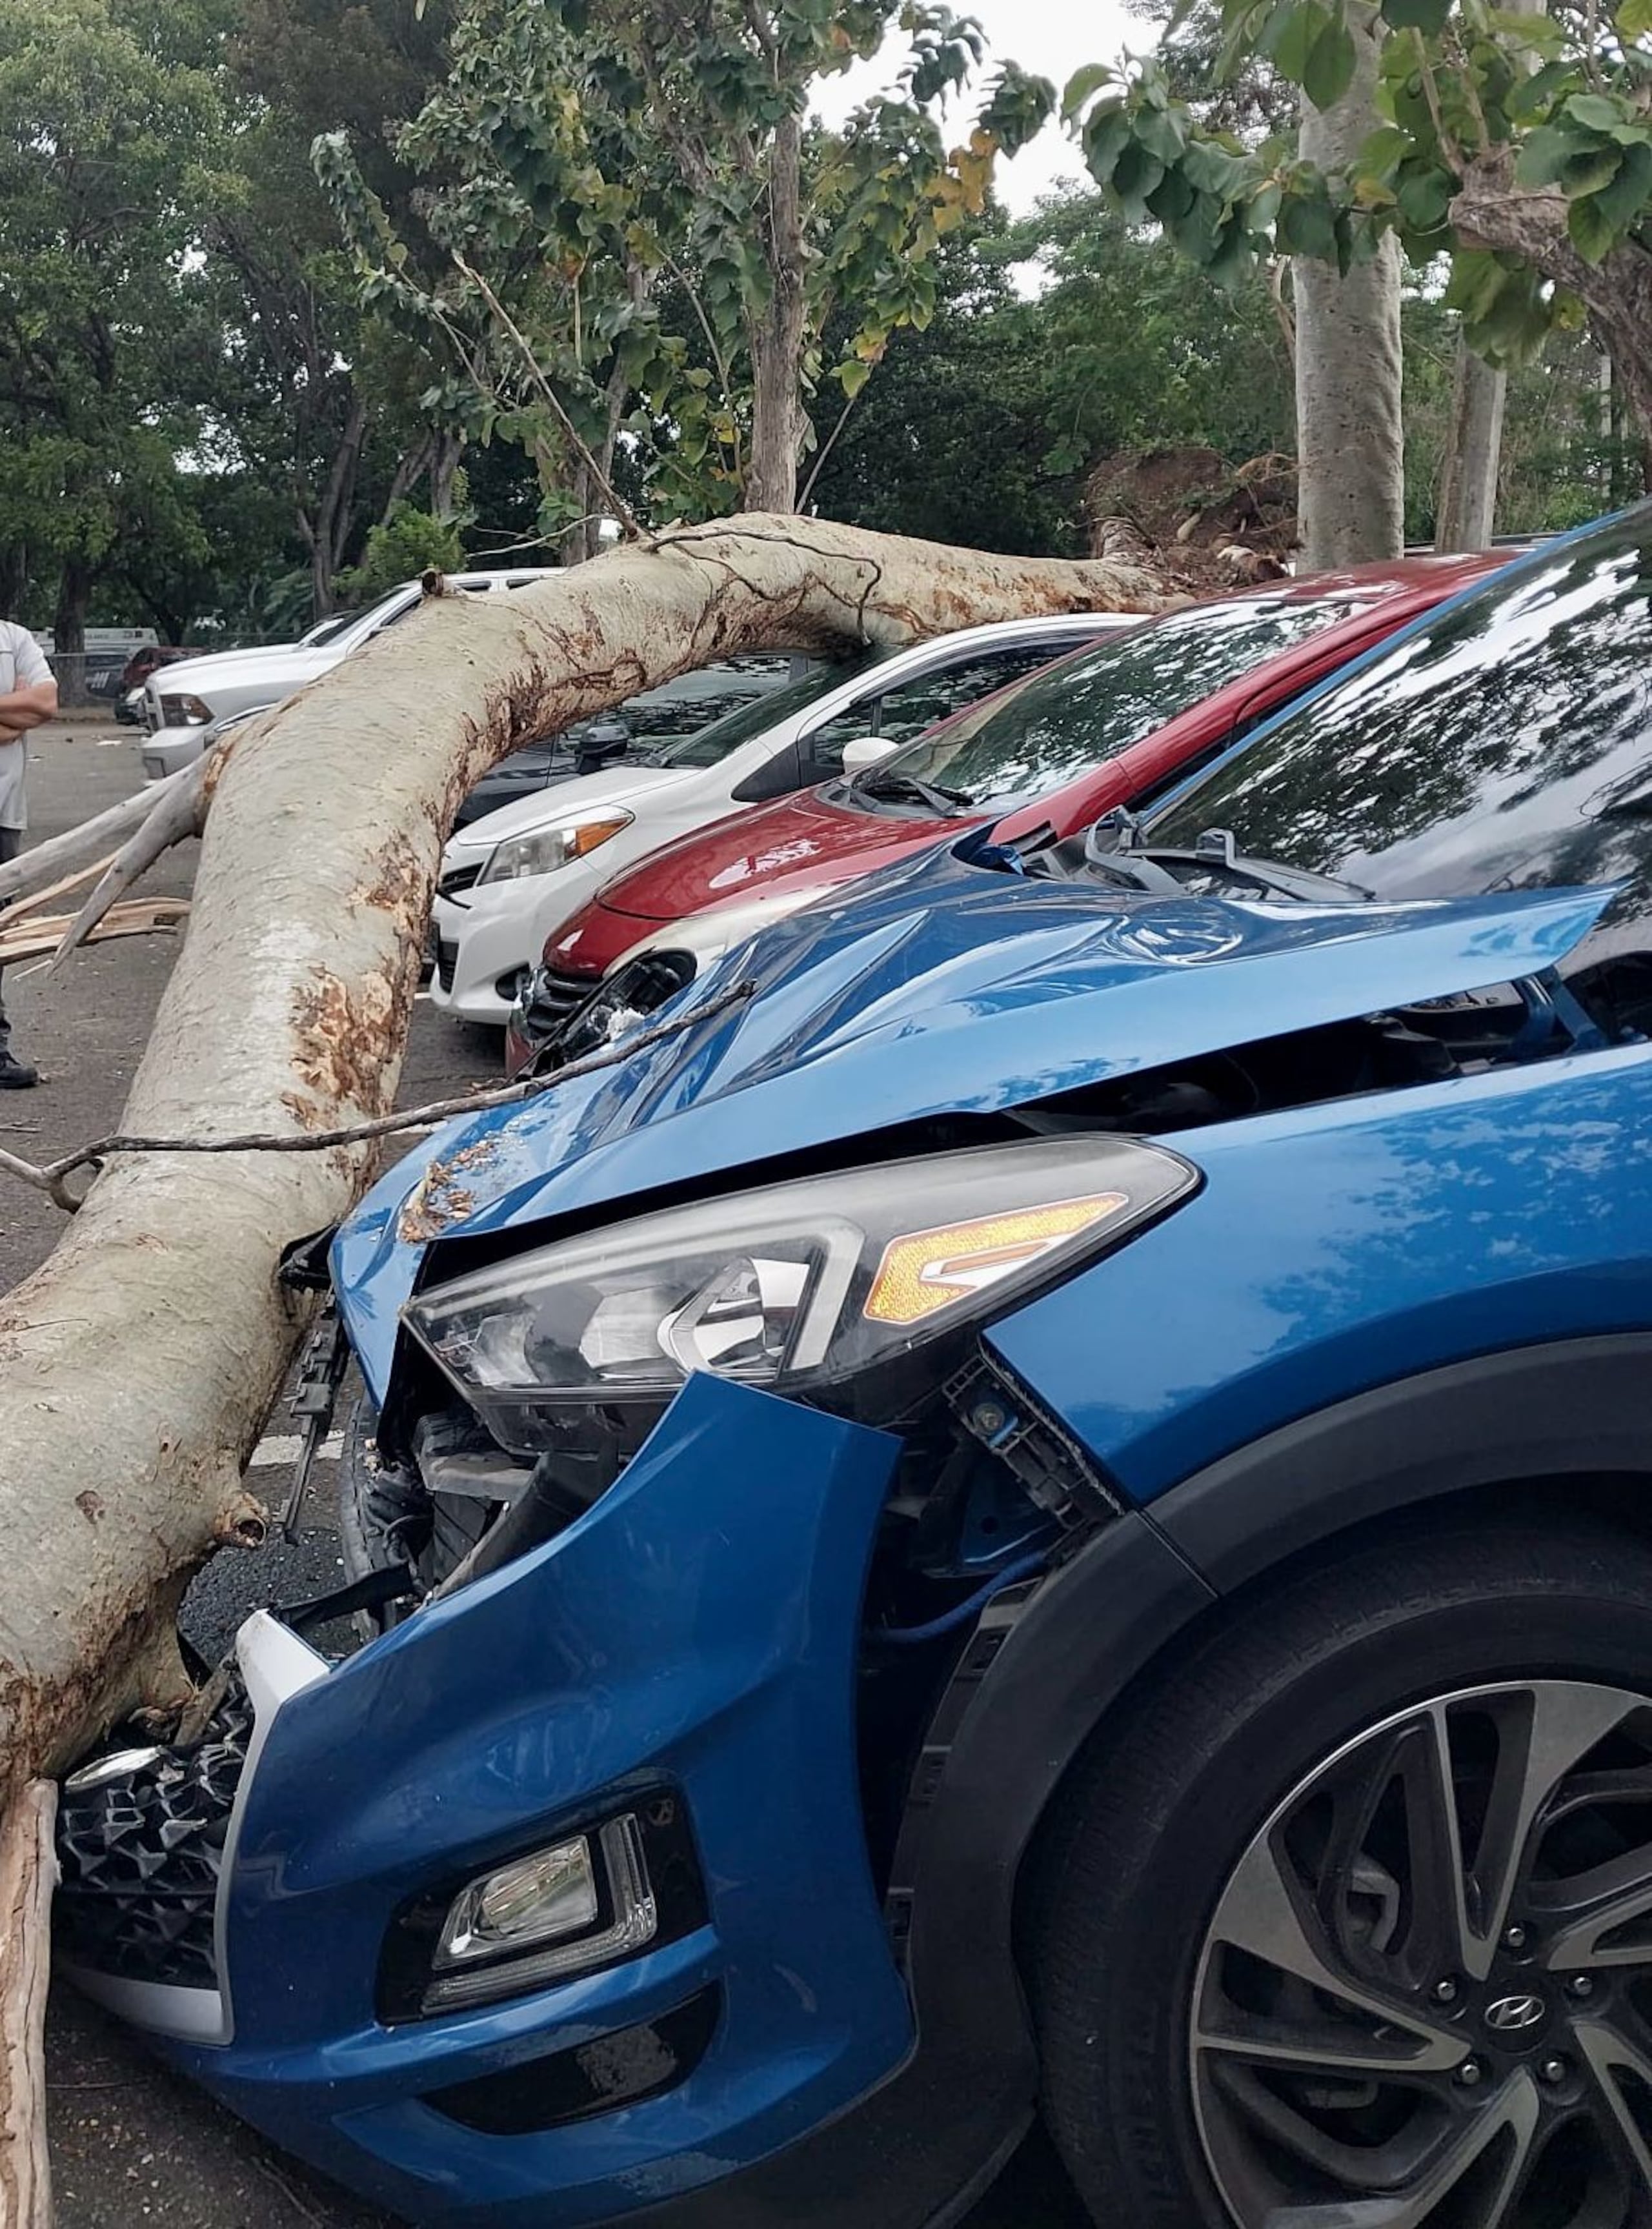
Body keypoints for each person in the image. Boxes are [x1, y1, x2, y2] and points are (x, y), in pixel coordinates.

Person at [0, 622, 60, 1088]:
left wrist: (25, 710)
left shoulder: (13, 640)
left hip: (3, 813)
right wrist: (10, 712)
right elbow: (23, 714)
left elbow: (44, 704)